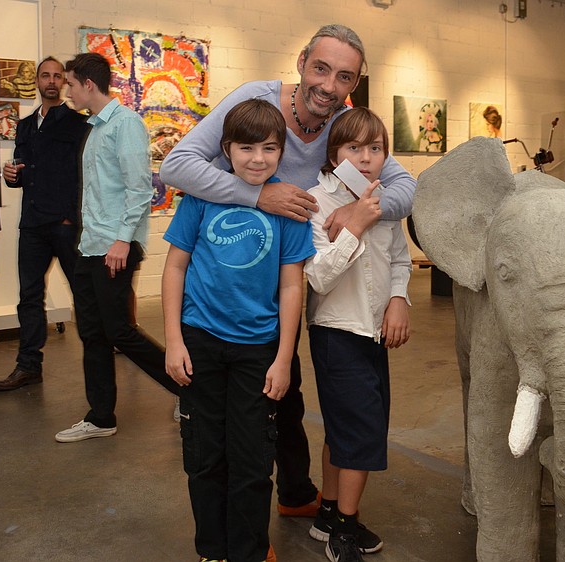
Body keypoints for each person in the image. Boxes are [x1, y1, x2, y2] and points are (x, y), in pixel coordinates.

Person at [159, 23, 416, 520]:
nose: (329, 85)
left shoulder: (346, 127)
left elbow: (403, 188)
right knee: (261, 402)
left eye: (344, 77)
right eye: (321, 68)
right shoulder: (256, 101)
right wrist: (259, 194)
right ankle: (282, 498)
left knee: (284, 388)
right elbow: (177, 165)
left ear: (354, 84)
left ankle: (295, 494)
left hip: (297, 278)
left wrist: (363, 213)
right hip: (227, 287)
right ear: (301, 62)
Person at [162, 98, 313, 562]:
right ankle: (212, 550)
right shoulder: (202, 198)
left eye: (269, 148)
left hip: (258, 351)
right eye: (246, 148)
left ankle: (249, 550)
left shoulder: (288, 206)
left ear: (281, 151)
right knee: (205, 457)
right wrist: (173, 340)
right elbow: (174, 267)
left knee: (251, 462)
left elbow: (292, 284)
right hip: (200, 343)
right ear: (226, 149)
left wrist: (284, 357)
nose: (258, 159)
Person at [54, 52, 179, 443]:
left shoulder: (125, 125)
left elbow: (140, 188)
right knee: (91, 332)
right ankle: (101, 416)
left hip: (115, 246)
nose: (66, 90)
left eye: (70, 84)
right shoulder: (96, 127)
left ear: (88, 84)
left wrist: (123, 239)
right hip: (91, 245)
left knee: (119, 332)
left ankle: (187, 388)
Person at [304, 107, 411, 561]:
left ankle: (328, 513)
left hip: (373, 333)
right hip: (336, 331)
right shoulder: (317, 201)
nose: (366, 158)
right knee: (363, 432)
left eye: (375, 148)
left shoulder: (387, 199)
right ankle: (345, 528)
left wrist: (399, 299)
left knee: (344, 428)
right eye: (354, 147)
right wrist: (356, 226)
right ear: (333, 153)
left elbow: (400, 259)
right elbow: (317, 277)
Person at [0, 57, 90, 391]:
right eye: (45, 75)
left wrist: (70, 215)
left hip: (64, 224)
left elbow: (84, 174)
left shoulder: (78, 124)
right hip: (32, 224)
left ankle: (98, 357)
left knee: (84, 295)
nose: (51, 80)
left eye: (57, 76)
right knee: (29, 297)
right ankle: (28, 365)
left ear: (64, 82)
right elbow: (22, 172)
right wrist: (10, 176)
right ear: (36, 81)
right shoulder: (25, 125)